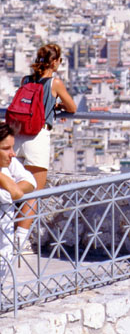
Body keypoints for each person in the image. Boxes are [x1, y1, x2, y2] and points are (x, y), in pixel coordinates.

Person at [12, 43, 76, 254]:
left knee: (15, 189)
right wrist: (56, 105)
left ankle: (8, 236)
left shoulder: (26, 80)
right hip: (37, 138)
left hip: (17, 137)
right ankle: (19, 243)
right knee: (33, 194)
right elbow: (72, 108)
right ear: (55, 62)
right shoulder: (54, 83)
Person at [0, 122, 36, 278]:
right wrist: (12, 189)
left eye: (12, 147)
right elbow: (12, 193)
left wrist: (10, 186)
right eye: (6, 149)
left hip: (4, 250)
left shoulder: (9, 163)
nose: (13, 154)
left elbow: (31, 182)